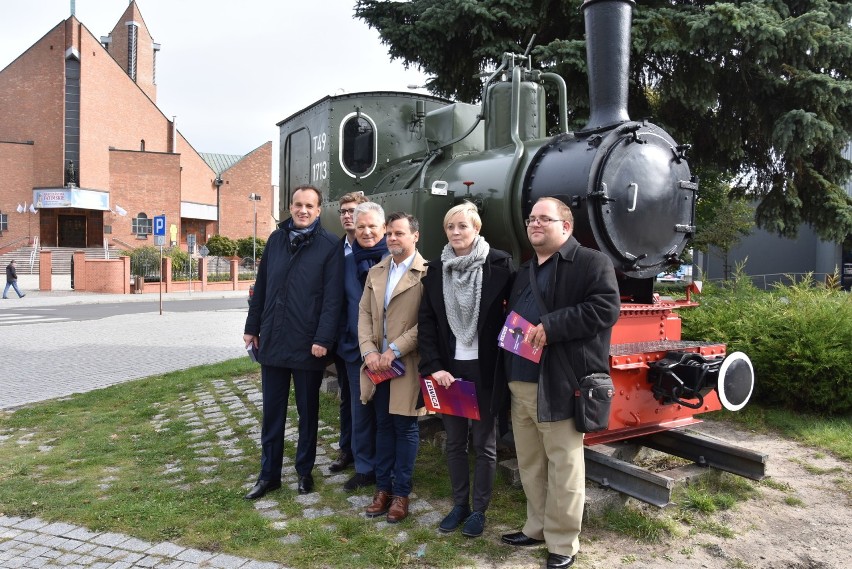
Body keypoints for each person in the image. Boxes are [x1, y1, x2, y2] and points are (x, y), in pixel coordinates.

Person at [499, 197, 620, 569]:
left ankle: (563, 542)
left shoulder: (590, 262)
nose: (535, 224)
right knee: (530, 463)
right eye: (531, 219)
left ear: (565, 226)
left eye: (544, 219)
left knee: (564, 464)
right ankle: (536, 526)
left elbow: (605, 308)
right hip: (519, 382)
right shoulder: (525, 270)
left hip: (558, 382)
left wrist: (552, 326)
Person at [418, 202, 513, 537]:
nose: (456, 233)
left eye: (462, 226)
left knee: (485, 443)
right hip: (450, 370)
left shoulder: (499, 265)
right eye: (450, 227)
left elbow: (509, 319)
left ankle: (479, 510)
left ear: (476, 229)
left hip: (485, 369)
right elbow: (426, 325)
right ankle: (459, 505)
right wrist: (435, 367)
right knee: (455, 442)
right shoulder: (435, 271)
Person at [243, 185, 343, 499]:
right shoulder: (275, 240)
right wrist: (252, 326)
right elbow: (261, 289)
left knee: (307, 413)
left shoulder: (330, 245)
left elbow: (332, 300)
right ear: (290, 206)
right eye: (298, 205)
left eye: (309, 206)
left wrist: (323, 338)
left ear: (318, 209)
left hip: (308, 344)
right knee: (272, 413)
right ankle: (268, 475)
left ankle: (304, 472)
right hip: (272, 340)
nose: (302, 210)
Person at [358, 212, 427, 523]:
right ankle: (382, 489)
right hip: (378, 364)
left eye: (399, 233)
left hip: (406, 364)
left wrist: (395, 349)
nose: (392, 239)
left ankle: (401, 494)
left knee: (406, 428)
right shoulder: (377, 271)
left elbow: (427, 322)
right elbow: (364, 316)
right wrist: (369, 351)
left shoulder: (426, 274)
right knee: (383, 425)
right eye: (389, 234)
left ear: (415, 236)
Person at [336, 201, 389, 491]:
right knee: (361, 409)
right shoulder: (343, 262)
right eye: (361, 227)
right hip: (355, 351)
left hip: (389, 351)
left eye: (372, 226)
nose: (366, 232)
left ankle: (388, 467)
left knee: (389, 412)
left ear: (383, 228)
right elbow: (337, 303)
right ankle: (364, 467)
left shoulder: (395, 260)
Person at [329, 191, 370, 475]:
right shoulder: (335, 250)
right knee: (347, 398)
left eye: (353, 211)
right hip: (341, 340)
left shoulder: (375, 250)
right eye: (343, 211)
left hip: (367, 342)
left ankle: (365, 457)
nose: (347, 215)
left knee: (363, 401)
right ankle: (348, 450)